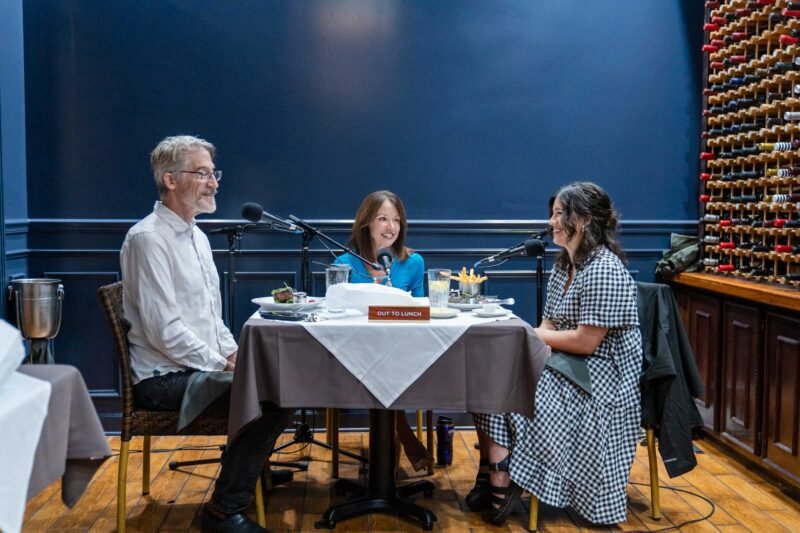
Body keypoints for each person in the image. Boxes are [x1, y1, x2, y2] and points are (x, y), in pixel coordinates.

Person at [121, 135, 289, 533]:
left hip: (194, 366)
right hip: (163, 378)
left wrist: (235, 354)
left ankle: (248, 474)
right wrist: (223, 364)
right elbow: (165, 332)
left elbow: (211, 318)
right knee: (273, 400)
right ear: (171, 179)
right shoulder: (148, 239)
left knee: (280, 383)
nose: (214, 182)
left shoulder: (196, 234)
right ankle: (222, 511)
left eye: (214, 173)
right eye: (202, 173)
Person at [470, 182, 642, 526]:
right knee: (487, 372)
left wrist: (528, 335)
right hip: (568, 363)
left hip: (601, 375)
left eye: (559, 213)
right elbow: (549, 322)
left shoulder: (605, 269)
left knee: (513, 381)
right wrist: (532, 344)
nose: (551, 222)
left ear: (585, 220)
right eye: (553, 213)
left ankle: (502, 469)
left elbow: (586, 342)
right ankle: (497, 464)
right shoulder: (564, 264)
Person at [333, 190, 433, 471]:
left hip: (404, 349)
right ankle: (403, 437)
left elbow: (420, 310)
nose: (391, 228)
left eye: (397, 220)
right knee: (378, 366)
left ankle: (391, 455)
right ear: (366, 223)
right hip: (355, 351)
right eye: (383, 219)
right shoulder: (344, 264)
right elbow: (337, 318)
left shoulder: (413, 262)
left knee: (388, 366)